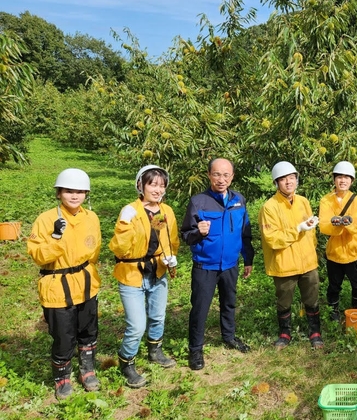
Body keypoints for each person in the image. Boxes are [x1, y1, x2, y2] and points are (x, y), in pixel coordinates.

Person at [27, 168, 101, 399]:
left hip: (86, 282)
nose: (74, 196)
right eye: (69, 191)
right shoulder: (47, 219)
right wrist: (56, 239)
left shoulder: (91, 217)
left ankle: (87, 370)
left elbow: (94, 248)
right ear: (59, 193)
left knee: (88, 330)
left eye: (80, 191)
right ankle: (62, 378)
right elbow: (38, 255)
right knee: (63, 334)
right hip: (57, 285)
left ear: (86, 194)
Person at [110, 165, 180, 388]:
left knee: (158, 316)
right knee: (137, 325)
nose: (158, 189)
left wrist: (169, 257)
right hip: (132, 275)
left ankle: (155, 351)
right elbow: (120, 249)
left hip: (157, 272)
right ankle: (126, 362)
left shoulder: (162, 212)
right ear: (140, 185)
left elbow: (165, 240)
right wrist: (124, 224)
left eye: (161, 185)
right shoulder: (131, 212)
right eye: (153, 184)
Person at [180, 158, 254, 371]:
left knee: (229, 303)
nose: (221, 180)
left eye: (226, 175)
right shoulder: (198, 202)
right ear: (209, 175)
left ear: (232, 177)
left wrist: (248, 258)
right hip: (206, 266)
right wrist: (197, 232)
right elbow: (186, 235)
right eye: (217, 174)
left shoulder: (238, 200)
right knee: (200, 309)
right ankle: (195, 349)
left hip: (230, 264)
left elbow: (244, 232)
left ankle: (229, 337)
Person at [260, 161, 323, 349]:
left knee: (312, 296)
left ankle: (315, 331)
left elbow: (310, 232)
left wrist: (312, 243)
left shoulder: (303, 201)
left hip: (307, 260)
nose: (288, 182)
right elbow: (272, 238)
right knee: (284, 299)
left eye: (292, 178)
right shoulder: (269, 207)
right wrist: (297, 229)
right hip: (284, 262)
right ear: (276, 182)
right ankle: (285, 333)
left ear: (296, 179)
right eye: (283, 179)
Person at [318, 161, 357, 321]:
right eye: (339, 177)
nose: (343, 180)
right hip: (335, 253)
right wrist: (337, 224)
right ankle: (333, 310)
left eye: (347, 177)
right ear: (334, 179)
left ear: (352, 181)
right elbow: (324, 226)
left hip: (354, 251)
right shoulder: (326, 200)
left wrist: (346, 223)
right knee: (334, 285)